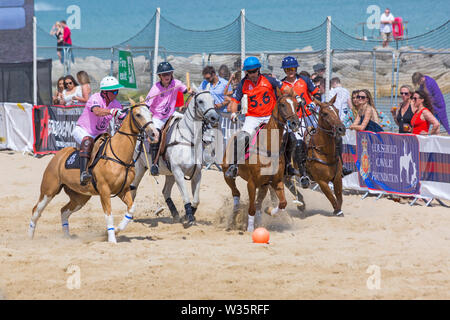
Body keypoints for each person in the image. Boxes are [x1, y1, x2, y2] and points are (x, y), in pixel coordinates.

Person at [225, 56, 297, 178]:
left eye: (254, 71)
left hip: (271, 116)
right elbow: (234, 101)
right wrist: (233, 113)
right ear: (246, 72)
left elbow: (287, 89)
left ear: (258, 69)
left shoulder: (269, 80)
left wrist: (295, 96)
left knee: (290, 137)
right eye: (249, 72)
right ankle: (234, 166)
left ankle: (288, 165)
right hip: (253, 117)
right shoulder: (243, 83)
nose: (252, 74)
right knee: (242, 137)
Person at [72, 76, 125, 185]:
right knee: (88, 141)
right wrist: (112, 111)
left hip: (100, 134)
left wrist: (128, 113)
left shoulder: (116, 104)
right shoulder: (95, 98)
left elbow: (122, 117)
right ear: (105, 92)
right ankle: (83, 174)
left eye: (117, 91)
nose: (117, 93)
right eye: (114, 91)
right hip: (83, 130)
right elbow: (96, 111)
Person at [280, 56, 321, 185]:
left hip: (309, 115)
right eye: (287, 69)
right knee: (297, 142)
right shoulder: (282, 84)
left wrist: (314, 103)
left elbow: (317, 93)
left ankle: (338, 168)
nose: (290, 71)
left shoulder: (305, 80)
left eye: (292, 68)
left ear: (296, 68)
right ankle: (301, 173)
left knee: (324, 137)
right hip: (294, 119)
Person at [146, 61, 192, 176]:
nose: (166, 76)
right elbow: (147, 105)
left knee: (188, 123)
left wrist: (191, 92)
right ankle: (154, 164)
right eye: (163, 74)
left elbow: (186, 90)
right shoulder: (155, 88)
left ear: (171, 74)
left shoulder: (176, 83)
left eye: (168, 74)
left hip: (171, 115)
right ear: (160, 76)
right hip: (157, 117)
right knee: (156, 135)